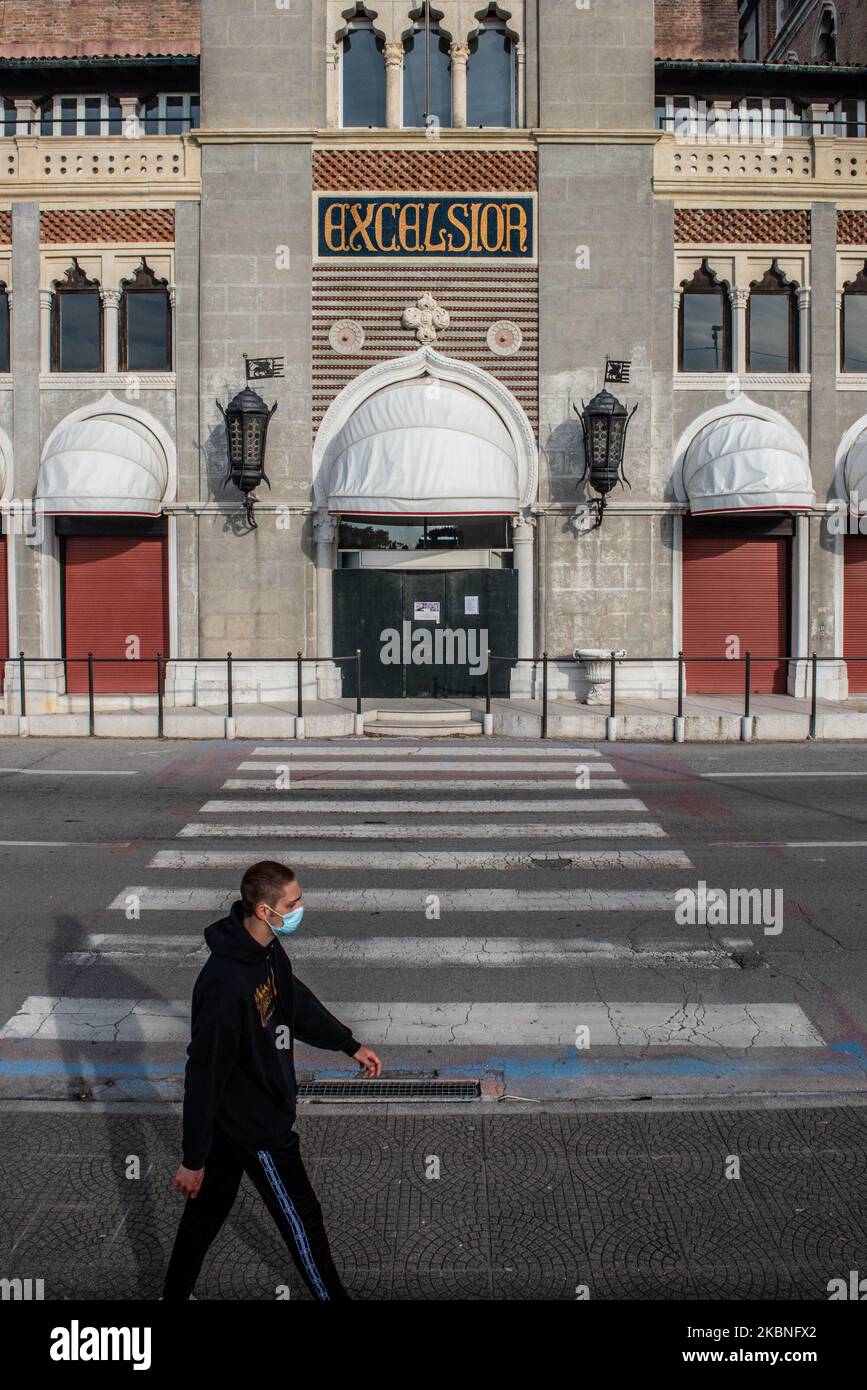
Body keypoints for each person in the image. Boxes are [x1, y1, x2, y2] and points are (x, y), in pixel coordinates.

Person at [162, 859, 381, 1301]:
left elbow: (294, 1000)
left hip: (235, 1119)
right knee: (304, 1221)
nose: (301, 908)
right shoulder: (225, 985)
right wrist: (192, 1158)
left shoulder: (265, 950)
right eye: (293, 902)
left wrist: (347, 1044)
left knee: (204, 1216)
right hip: (257, 1125)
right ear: (264, 910)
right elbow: (203, 1074)